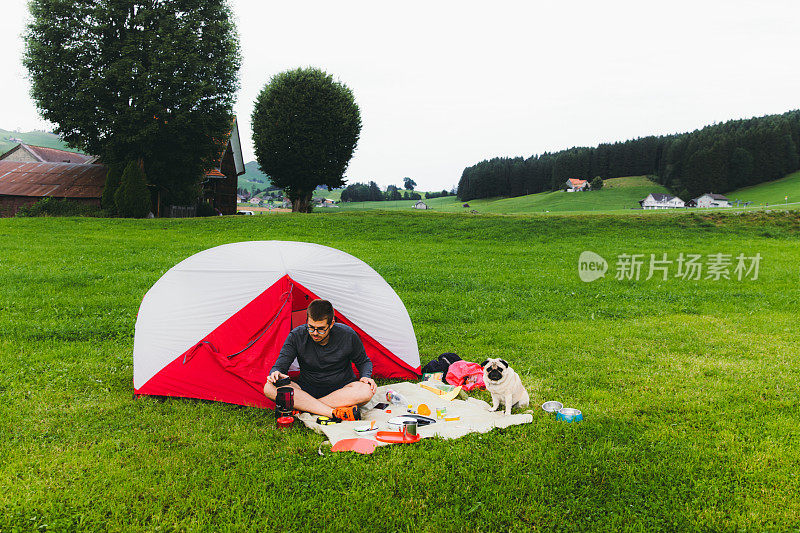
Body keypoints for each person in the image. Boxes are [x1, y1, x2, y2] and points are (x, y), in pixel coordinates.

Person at [263, 299, 376, 421]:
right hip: (307, 389)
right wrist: (275, 373)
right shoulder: (296, 336)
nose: (315, 333)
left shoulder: (347, 334)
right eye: (311, 327)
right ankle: (333, 412)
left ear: (331, 323)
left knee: (366, 391)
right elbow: (280, 366)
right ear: (306, 321)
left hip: (342, 390)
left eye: (321, 329)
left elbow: (363, 361)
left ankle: (305, 408)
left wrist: (366, 376)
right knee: (269, 388)